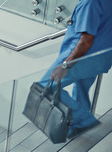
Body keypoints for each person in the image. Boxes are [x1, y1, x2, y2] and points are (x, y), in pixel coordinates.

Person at [39, 0, 112, 139]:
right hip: (101, 56)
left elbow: (86, 40)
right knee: (81, 90)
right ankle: (77, 127)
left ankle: (84, 120)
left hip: (82, 57)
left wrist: (65, 65)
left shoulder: (90, 3)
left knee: (45, 87)